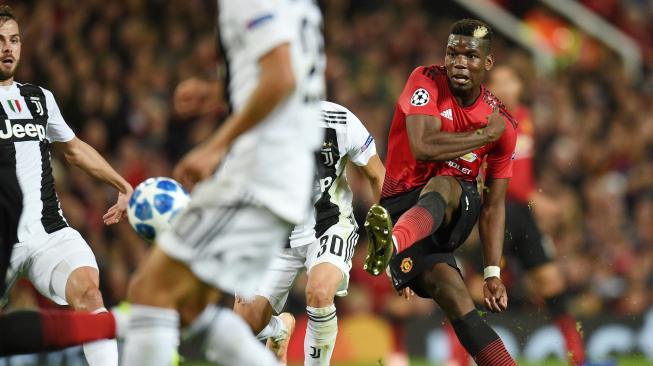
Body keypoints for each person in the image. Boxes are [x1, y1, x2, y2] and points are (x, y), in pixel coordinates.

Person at [122, 0, 326, 364]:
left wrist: (216, 146)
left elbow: (282, 78)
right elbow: (289, 71)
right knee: (189, 310)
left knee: (150, 292)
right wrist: (217, 93)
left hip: (260, 173)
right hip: (284, 171)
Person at [363, 19, 517, 365]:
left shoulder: (502, 124)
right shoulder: (426, 80)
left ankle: (391, 242)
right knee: (454, 295)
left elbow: (494, 204)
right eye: (452, 53)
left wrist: (492, 272)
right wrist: (482, 136)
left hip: (453, 208)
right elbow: (423, 145)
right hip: (401, 208)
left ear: (487, 64)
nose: (459, 62)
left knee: (445, 184)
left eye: (470, 56)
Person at [0, 6, 130, 365]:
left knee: (90, 294)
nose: (7, 48)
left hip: (48, 232)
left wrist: (121, 183)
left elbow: (73, 149)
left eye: (13, 40)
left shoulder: (39, 98)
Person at [234, 101, 385, 365]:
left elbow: (377, 175)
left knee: (319, 292)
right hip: (275, 233)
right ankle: (278, 331)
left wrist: (391, 237)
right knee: (245, 323)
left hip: (329, 223)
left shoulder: (340, 121)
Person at [487, 64, 586, 366]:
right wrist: (536, 199)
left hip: (522, 214)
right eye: (499, 82)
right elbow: (498, 175)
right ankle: (457, 356)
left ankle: (577, 357)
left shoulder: (525, 118)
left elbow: (521, 170)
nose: (505, 87)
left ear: (520, 86)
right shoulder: (486, 121)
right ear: (489, 89)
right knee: (478, 287)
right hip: (493, 211)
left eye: (511, 80)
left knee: (551, 281)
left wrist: (534, 198)